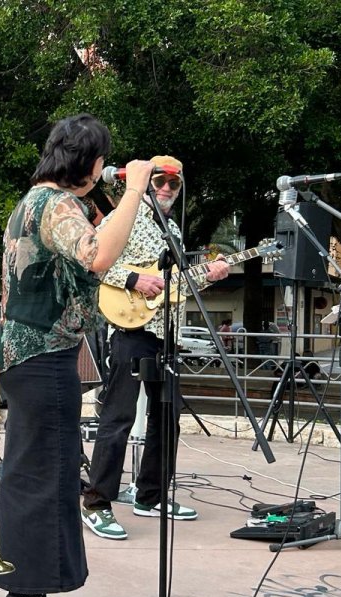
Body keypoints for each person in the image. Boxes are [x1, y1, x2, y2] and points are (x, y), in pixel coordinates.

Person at [0, 113, 146, 597]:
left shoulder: (43, 202)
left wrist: (119, 209)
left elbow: (97, 257)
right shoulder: (54, 203)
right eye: (102, 161)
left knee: (45, 474)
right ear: (91, 162)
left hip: (34, 356)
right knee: (44, 477)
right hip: (41, 357)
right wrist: (136, 188)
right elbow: (96, 253)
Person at [80, 155, 230, 541]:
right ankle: (96, 503)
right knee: (118, 416)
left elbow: (176, 285)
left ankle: (151, 495)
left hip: (167, 334)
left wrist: (210, 276)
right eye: (159, 181)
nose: (165, 188)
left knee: (167, 418)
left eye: (173, 184)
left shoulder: (173, 230)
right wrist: (133, 279)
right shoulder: (123, 216)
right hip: (130, 329)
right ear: (146, 182)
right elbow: (92, 260)